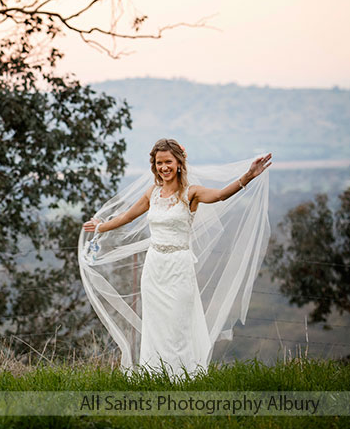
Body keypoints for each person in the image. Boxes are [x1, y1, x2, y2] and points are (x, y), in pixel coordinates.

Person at [78, 139, 272, 378]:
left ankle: (181, 378)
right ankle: (155, 375)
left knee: (178, 325)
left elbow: (221, 195)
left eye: (168, 162)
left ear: (179, 163)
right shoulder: (152, 193)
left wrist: (250, 175)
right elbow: (128, 217)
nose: (163, 167)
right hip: (154, 267)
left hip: (179, 267)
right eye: (159, 163)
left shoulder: (191, 193)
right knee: (156, 325)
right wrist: (102, 227)